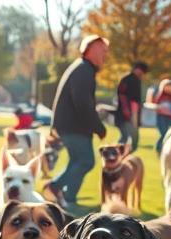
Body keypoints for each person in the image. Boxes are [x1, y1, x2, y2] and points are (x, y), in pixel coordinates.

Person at [43, 35, 109, 207]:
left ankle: (69, 198)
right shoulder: (83, 70)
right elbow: (82, 102)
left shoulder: (83, 68)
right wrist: (98, 127)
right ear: (90, 49)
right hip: (72, 125)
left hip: (70, 124)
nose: (105, 54)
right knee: (86, 161)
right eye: (103, 50)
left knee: (77, 161)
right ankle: (54, 186)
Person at [116, 62, 147, 151]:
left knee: (134, 139)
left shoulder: (137, 81)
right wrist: (126, 109)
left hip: (134, 112)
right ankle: (115, 154)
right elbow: (122, 95)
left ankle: (124, 156)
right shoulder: (126, 80)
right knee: (125, 137)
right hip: (125, 113)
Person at [152, 79, 171, 152]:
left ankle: (162, 147)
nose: (169, 88)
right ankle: (158, 147)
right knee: (163, 132)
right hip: (161, 117)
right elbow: (156, 107)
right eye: (167, 86)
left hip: (170, 117)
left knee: (167, 132)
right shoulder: (160, 97)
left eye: (170, 86)